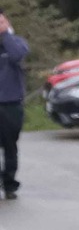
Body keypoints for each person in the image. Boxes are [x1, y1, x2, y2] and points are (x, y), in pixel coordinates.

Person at [0, 13, 29, 199]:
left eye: (1, 21)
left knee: (10, 146)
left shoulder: (16, 43)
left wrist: (5, 35)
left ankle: (9, 183)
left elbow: (18, 55)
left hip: (11, 104)